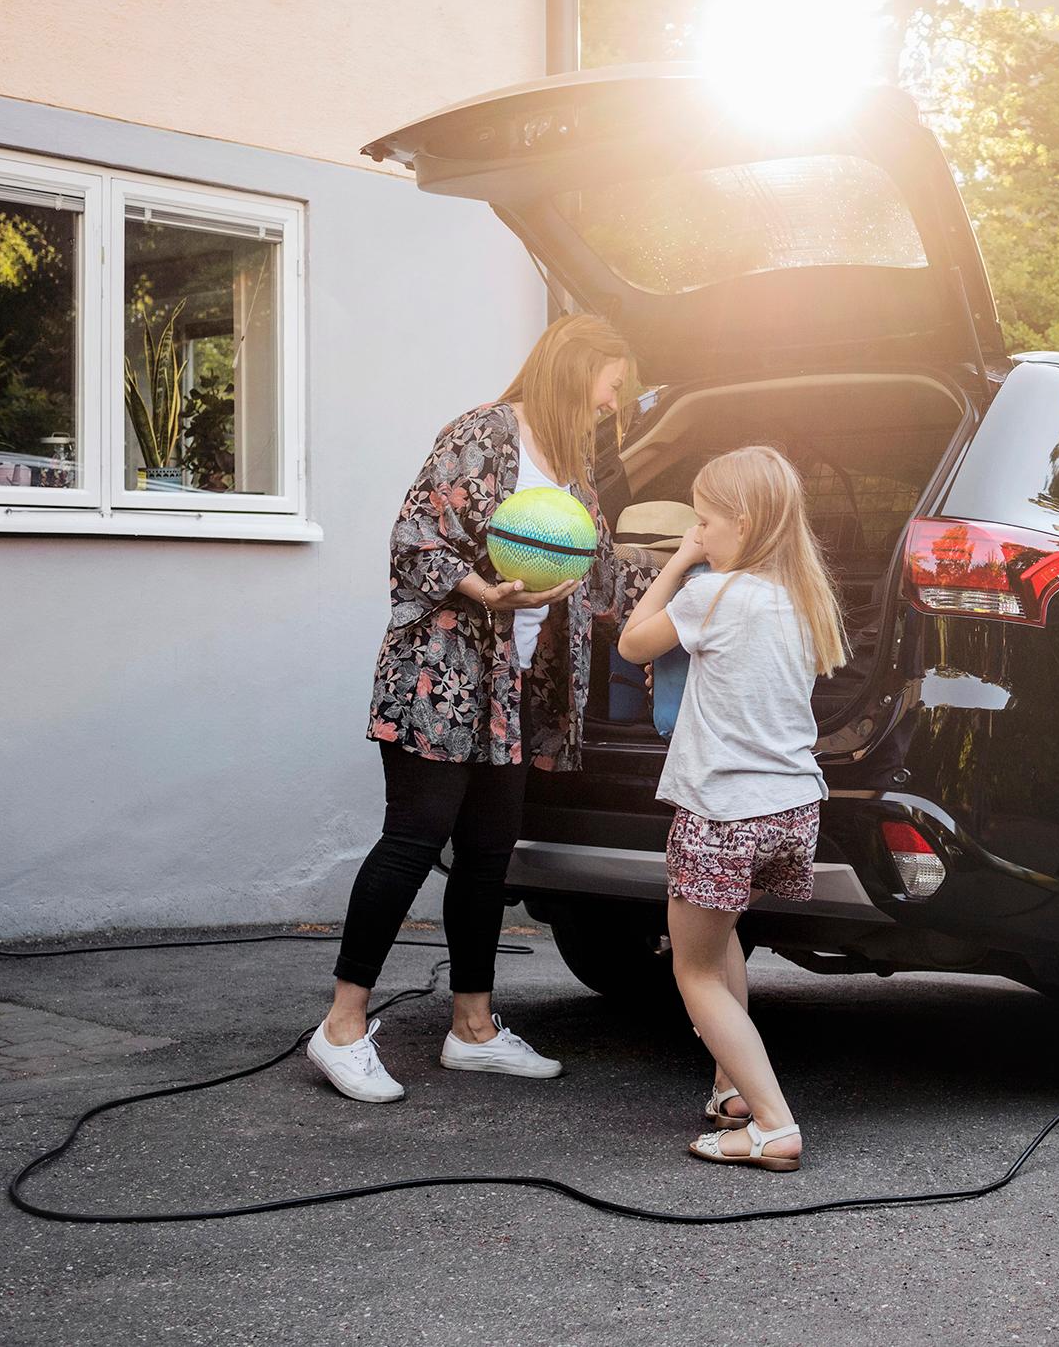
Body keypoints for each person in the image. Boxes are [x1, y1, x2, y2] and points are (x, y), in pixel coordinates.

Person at [308, 314, 652, 1104]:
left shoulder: (570, 473)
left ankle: (472, 1029)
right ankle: (341, 1028)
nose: (612, 405)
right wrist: (481, 589)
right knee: (411, 840)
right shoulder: (484, 433)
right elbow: (416, 537)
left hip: (508, 693)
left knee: (489, 856)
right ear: (576, 371)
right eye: (609, 387)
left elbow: (598, 579)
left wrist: (704, 573)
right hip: (440, 679)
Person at [616, 446, 846, 1171]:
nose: (700, 533)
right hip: (791, 807)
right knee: (722, 946)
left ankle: (774, 1125)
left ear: (741, 525)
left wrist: (679, 561)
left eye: (706, 522)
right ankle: (733, 1092)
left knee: (694, 971)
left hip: (723, 811)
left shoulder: (714, 594)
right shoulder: (805, 600)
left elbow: (631, 642)